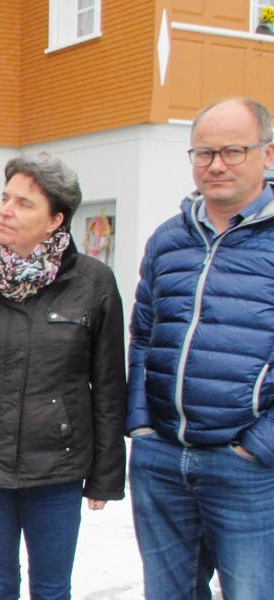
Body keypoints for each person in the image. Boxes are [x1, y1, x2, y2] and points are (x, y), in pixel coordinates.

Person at [0, 153, 127, 600]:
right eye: (4, 197)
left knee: (51, 590)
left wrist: (106, 473)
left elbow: (109, 383)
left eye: (23, 203)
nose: (5, 210)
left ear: (56, 219)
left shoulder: (93, 283)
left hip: (58, 464)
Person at [126, 97, 274, 600]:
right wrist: (143, 424)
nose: (216, 165)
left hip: (246, 469)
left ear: (268, 155)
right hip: (163, 460)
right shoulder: (169, 240)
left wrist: (259, 445)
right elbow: (144, 335)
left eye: (233, 150)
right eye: (203, 152)